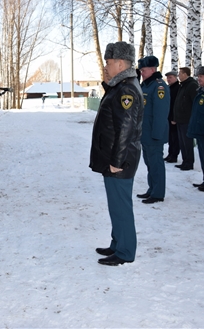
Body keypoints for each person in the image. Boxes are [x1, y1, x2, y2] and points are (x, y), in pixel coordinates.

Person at [89, 41, 143, 266]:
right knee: (115, 205)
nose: (106, 67)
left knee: (121, 206)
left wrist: (117, 161)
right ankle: (117, 242)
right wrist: (107, 82)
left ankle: (125, 251)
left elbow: (125, 129)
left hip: (119, 160)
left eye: (109, 63)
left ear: (120, 64)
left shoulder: (127, 89)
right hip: (113, 158)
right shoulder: (121, 86)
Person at [136, 55, 170, 204]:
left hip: (153, 134)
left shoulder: (159, 86)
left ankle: (158, 193)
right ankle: (152, 189)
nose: (142, 73)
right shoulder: (146, 85)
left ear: (152, 69)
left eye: (143, 70)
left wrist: (157, 134)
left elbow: (161, 113)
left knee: (156, 164)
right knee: (149, 163)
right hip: (145, 133)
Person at [173, 67, 198, 171]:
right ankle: (185, 161)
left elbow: (194, 103)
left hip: (187, 119)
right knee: (182, 142)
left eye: (180, 73)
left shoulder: (192, 85)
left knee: (187, 142)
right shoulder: (182, 86)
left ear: (185, 74)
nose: (178, 75)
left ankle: (189, 162)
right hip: (180, 119)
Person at [164, 71, 180, 163]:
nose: (168, 79)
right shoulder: (169, 88)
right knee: (170, 137)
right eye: (168, 77)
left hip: (174, 116)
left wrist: (174, 117)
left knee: (175, 137)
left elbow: (176, 104)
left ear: (175, 77)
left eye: (170, 77)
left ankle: (174, 155)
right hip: (168, 115)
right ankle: (170, 154)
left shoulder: (177, 88)